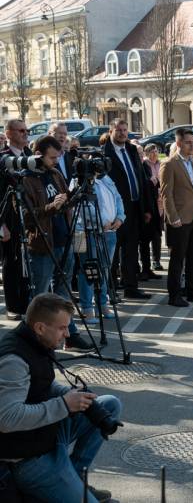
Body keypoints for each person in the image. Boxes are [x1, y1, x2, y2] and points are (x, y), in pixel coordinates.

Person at [0, 294, 122, 503]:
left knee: (109, 405)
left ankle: (74, 476)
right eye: (62, 328)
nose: (67, 334)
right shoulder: (14, 360)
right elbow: (7, 418)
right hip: (27, 459)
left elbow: (40, 383)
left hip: (45, 436)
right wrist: (65, 404)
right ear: (40, 327)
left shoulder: (36, 341)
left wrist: (69, 394)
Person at [21, 136, 92, 352]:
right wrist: (52, 207)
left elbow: (65, 201)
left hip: (64, 239)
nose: (56, 160)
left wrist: (76, 196)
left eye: (58, 156)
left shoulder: (55, 174)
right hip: (43, 244)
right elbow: (25, 217)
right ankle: (32, 342)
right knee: (40, 298)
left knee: (64, 294)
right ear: (39, 155)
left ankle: (69, 335)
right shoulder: (27, 179)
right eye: (53, 157)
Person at [159, 127, 193, 307]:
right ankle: (174, 295)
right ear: (179, 143)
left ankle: (192, 290)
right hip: (179, 218)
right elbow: (166, 194)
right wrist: (172, 217)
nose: (192, 145)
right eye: (189, 142)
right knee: (177, 259)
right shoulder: (169, 164)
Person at [103, 118, 152, 300]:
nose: (123, 133)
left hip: (134, 208)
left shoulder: (131, 150)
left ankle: (131, 287)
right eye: (119, 130)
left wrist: (146, 208)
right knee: (113, 253)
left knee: (131, 251)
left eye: (125, 130)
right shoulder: (104, 154)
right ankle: (110, 290)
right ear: (111, 132)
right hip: (115, 211)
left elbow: (141, 179)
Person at [75, 157, 125, 324]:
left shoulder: (106, 179)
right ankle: (87, 309)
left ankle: (102, 304)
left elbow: (118, 197)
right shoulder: (79, 182)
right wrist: (101, 222)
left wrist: (120, 217)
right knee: (88, 270)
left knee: (104, 269)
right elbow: (79, 207)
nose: (99, 167)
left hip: (110, 232)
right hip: (87, 233)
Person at [0, 119, 33, 320]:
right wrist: (1, 224)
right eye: (21, 130)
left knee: (29, 262)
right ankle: (13, 306)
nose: (25, 133)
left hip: (31, 216)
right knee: (12, 261)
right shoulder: (3, 159)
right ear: (9, 133)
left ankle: (29, 302)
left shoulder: (30, 156)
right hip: (10, 217)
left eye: (26, 130)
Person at [138, 144, 163, 281]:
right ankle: (140, 269)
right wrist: (150, 182)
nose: (141, 156)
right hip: (141, 210)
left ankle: (147, 268)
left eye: (142, 154)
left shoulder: (145, 167)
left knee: (151, 238)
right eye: (140, 154)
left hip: (152, 207)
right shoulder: (140, 167)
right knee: (142, 242)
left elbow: (155, 185)